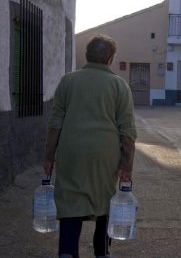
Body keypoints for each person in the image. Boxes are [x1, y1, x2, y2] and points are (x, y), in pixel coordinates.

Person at [43, 34, 137, 258]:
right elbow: (127, 132)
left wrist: (48, 157)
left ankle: (67, 252)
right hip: (105, 156)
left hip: (71, 152)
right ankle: (102, 253)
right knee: (104, 204)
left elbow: (55, 123)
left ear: (87, 55)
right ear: (111, 59)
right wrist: (127, 165)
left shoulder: (68, 81)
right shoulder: (119, 85)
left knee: (70, 202)